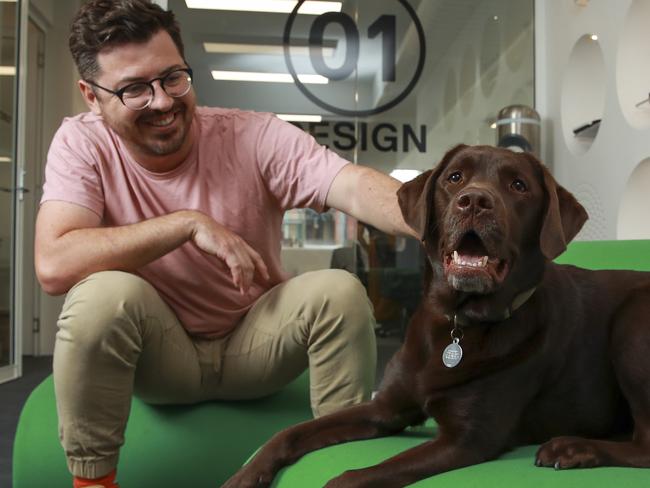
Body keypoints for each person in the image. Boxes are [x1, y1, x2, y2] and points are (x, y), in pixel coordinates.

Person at [34, 1, 416, 487]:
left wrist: (439, 221)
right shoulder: (82, 144)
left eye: (173, 77)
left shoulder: (251, 134)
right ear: (91, 95)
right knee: (99, 296)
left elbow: (352, 185)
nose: (163, 101)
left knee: (339, 291)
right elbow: (54, 263)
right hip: (159, 357)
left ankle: (339, 471)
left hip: (253, 347)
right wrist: (186, 224)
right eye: (133, 89)